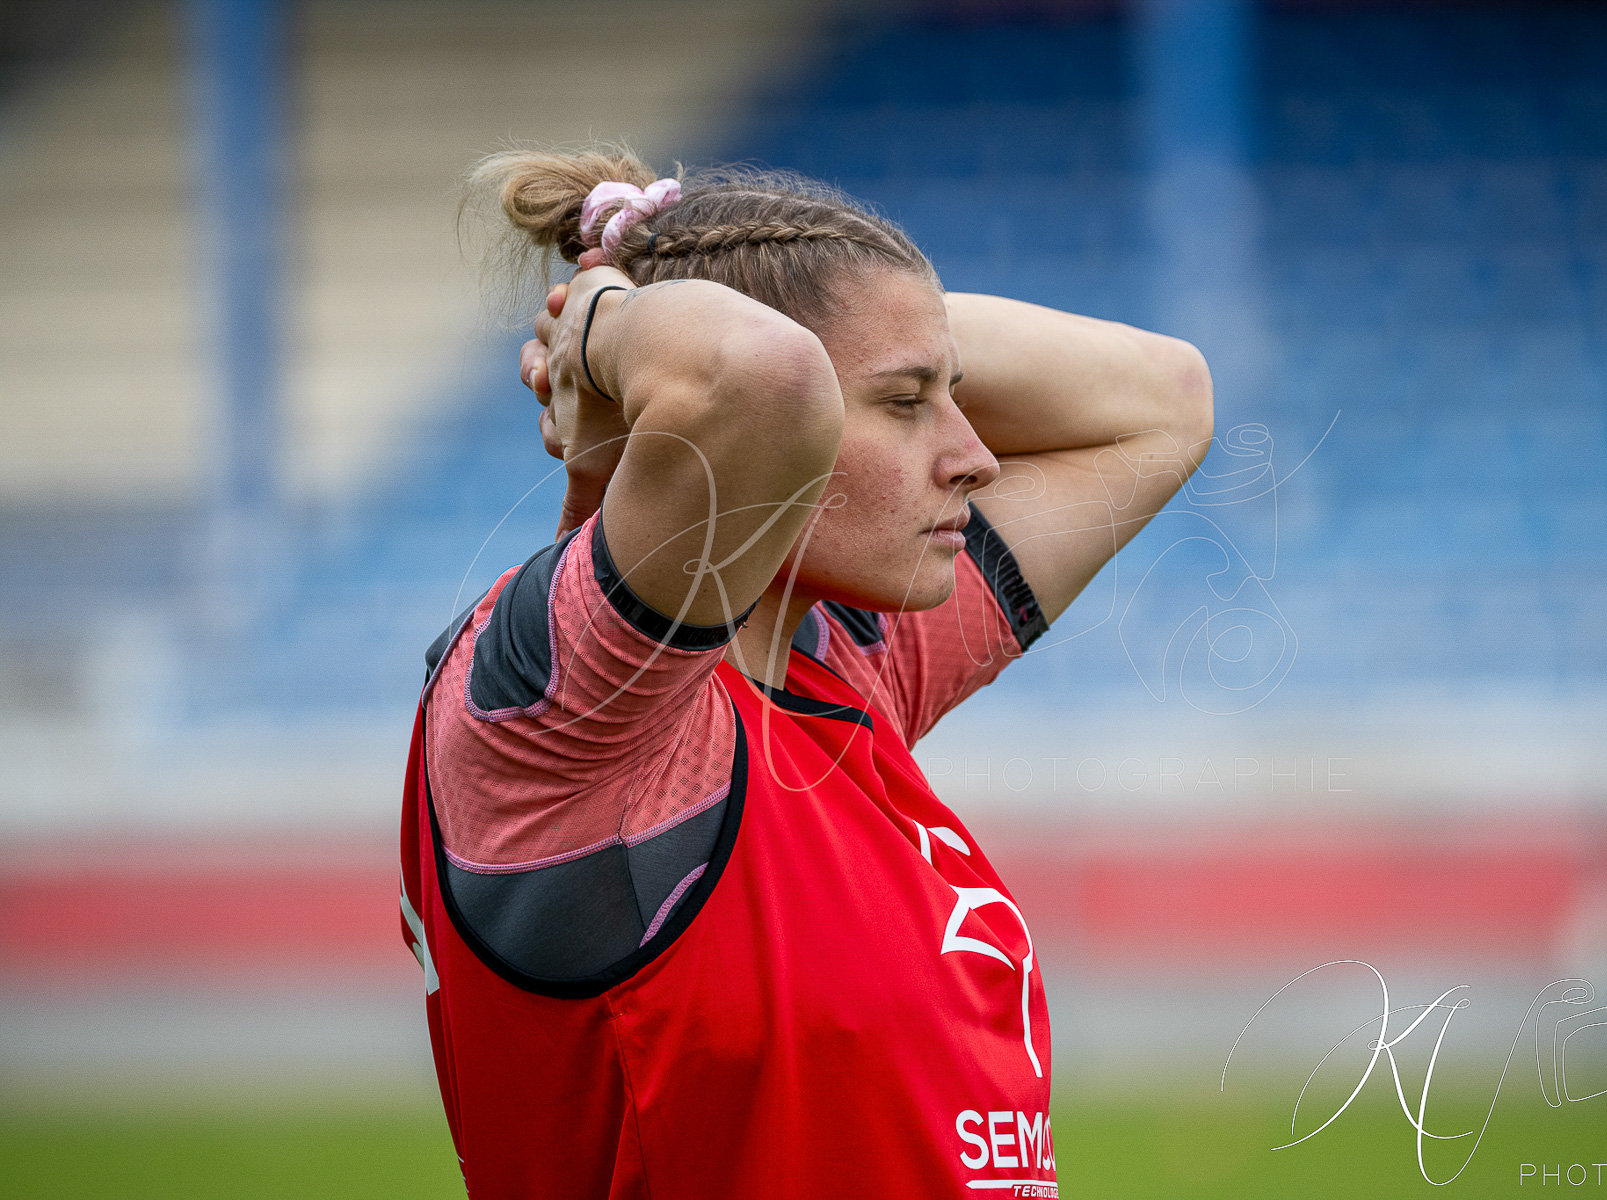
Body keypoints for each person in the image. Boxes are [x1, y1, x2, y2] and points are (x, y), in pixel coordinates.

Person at [399, 148, 1213, 1198]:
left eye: (951, 393)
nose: (976, 454)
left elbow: (1165, 399)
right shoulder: (578, 713)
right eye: (908, 402)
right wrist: (598, 321)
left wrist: (862, 318)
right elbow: (758, 377)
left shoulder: (849, 665)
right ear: (785, 432)